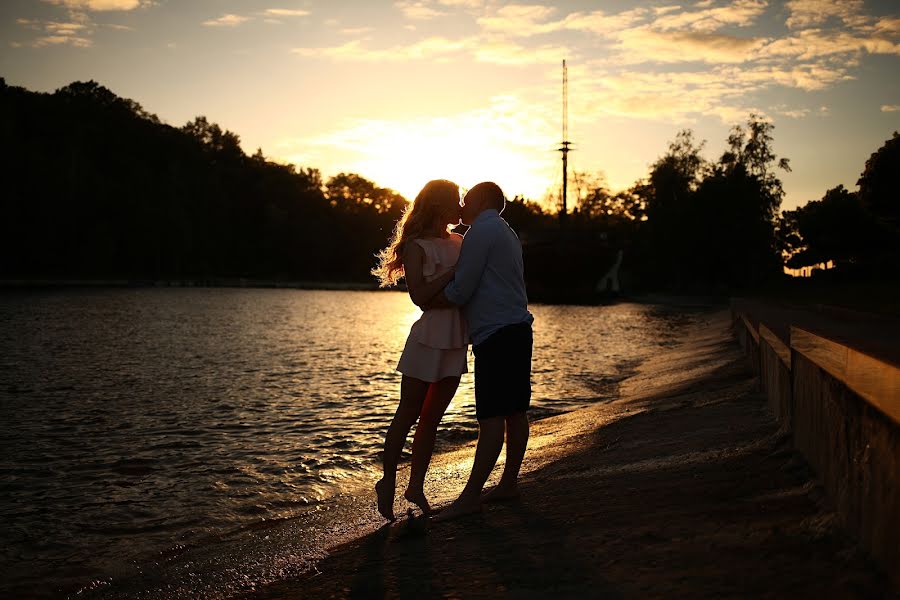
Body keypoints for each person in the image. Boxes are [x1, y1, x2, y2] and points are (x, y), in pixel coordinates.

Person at [429, 181, 534, 521]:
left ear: (484, 200)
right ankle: (508, 484)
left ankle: (470, 497)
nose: (461, 204)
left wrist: (429, 297)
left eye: (467, 198)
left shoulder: (480, 232)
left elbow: (462, 289)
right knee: (515, 411)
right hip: (518, 328)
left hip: (497, 333)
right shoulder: (505, 231)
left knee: (490, 417)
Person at [371, 179, 468, 521]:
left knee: (431, 420)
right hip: (426, 339)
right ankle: (387, 481)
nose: (461, 206)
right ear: (440, 205)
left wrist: (451, 282)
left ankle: (416, 486)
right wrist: (454, 273)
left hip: (456, 339)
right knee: (407, 413)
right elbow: (421, 297)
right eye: (456, 200)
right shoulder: (416, 246)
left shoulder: (460, 241)